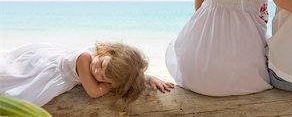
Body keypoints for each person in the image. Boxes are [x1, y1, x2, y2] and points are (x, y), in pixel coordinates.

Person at [0, 42, 174, 108]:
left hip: (55, 67)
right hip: (44, 68)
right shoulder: (83, 59)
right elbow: (94, 92)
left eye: (103, 77)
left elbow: (128, 71)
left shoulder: (107, 62)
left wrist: (147, 78)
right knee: (14, 82)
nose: (96, 72)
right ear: (108, 51)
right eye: (101, 64)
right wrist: (109, 84)